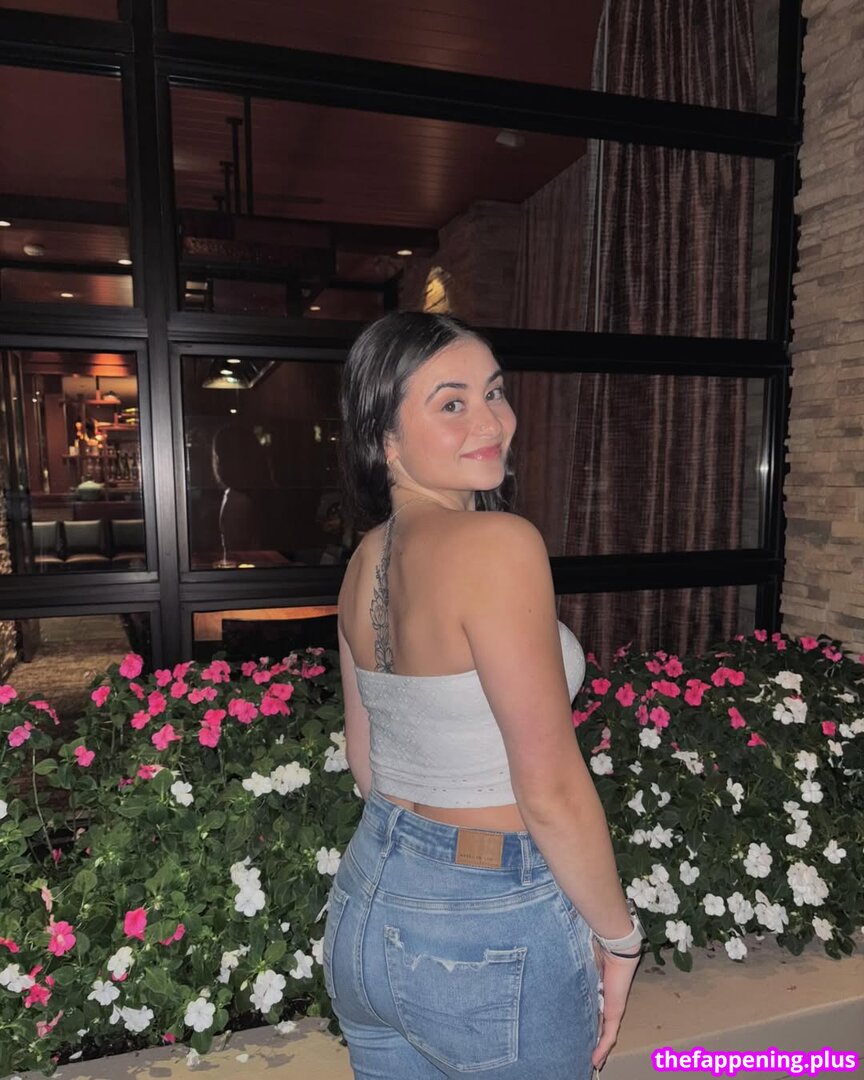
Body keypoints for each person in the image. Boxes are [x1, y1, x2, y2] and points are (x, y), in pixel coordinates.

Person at [327, 312, 643, 1080]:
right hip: (486, 921)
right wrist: (621, 937)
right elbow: (550, 789)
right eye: (452, 403)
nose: (491, 421)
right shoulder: (499, 545)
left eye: (494, 392)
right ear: (385, 439)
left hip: (368, 901)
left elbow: (368, 764)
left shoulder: (363, 561)